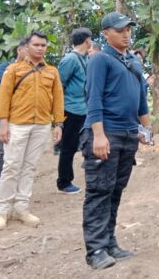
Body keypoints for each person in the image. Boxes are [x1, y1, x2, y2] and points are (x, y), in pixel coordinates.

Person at [82, 12, 152, 270]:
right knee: (99, 190)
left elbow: (141, 98)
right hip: (105, 132)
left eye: (128, 29)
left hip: (127, 134)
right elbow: (94, 99)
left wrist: (146, 129)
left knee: (115, 189)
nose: (126, 34)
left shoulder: (133, 61)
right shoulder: (100, 60)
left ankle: (110, 242)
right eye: (120, 29)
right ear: (106, 33)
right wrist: (98, 136)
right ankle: (96, 249)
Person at [0, 31, 64, 231]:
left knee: (29, 167)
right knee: (11, 166)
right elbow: (4, 98)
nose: (40, 48)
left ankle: (21, 208)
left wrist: (58, 124)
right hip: (17, 124)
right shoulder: (13, 70)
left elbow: (58, 99)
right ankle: (2, 211)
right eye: (36, 45)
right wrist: (4, 124)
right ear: (27, 47)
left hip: (41, 125)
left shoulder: (52, 72)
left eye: (43, 45)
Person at [56, 27, 92, 194]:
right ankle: (64, 182)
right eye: (90, 40)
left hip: (84, 109)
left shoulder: (84, 58)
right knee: (68, 147)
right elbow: (58, 86)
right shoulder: (70, 59)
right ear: (87, 41)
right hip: (71, 110)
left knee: (87, 143)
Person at [0, 38, 29, 188]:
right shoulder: (5, 67)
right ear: (19, 50)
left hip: (24, 115)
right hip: (8, 115)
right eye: (26, 49)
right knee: (4, 152)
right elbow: (6, 86)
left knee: (23, 153)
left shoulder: (33, 68)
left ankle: (16, 185)